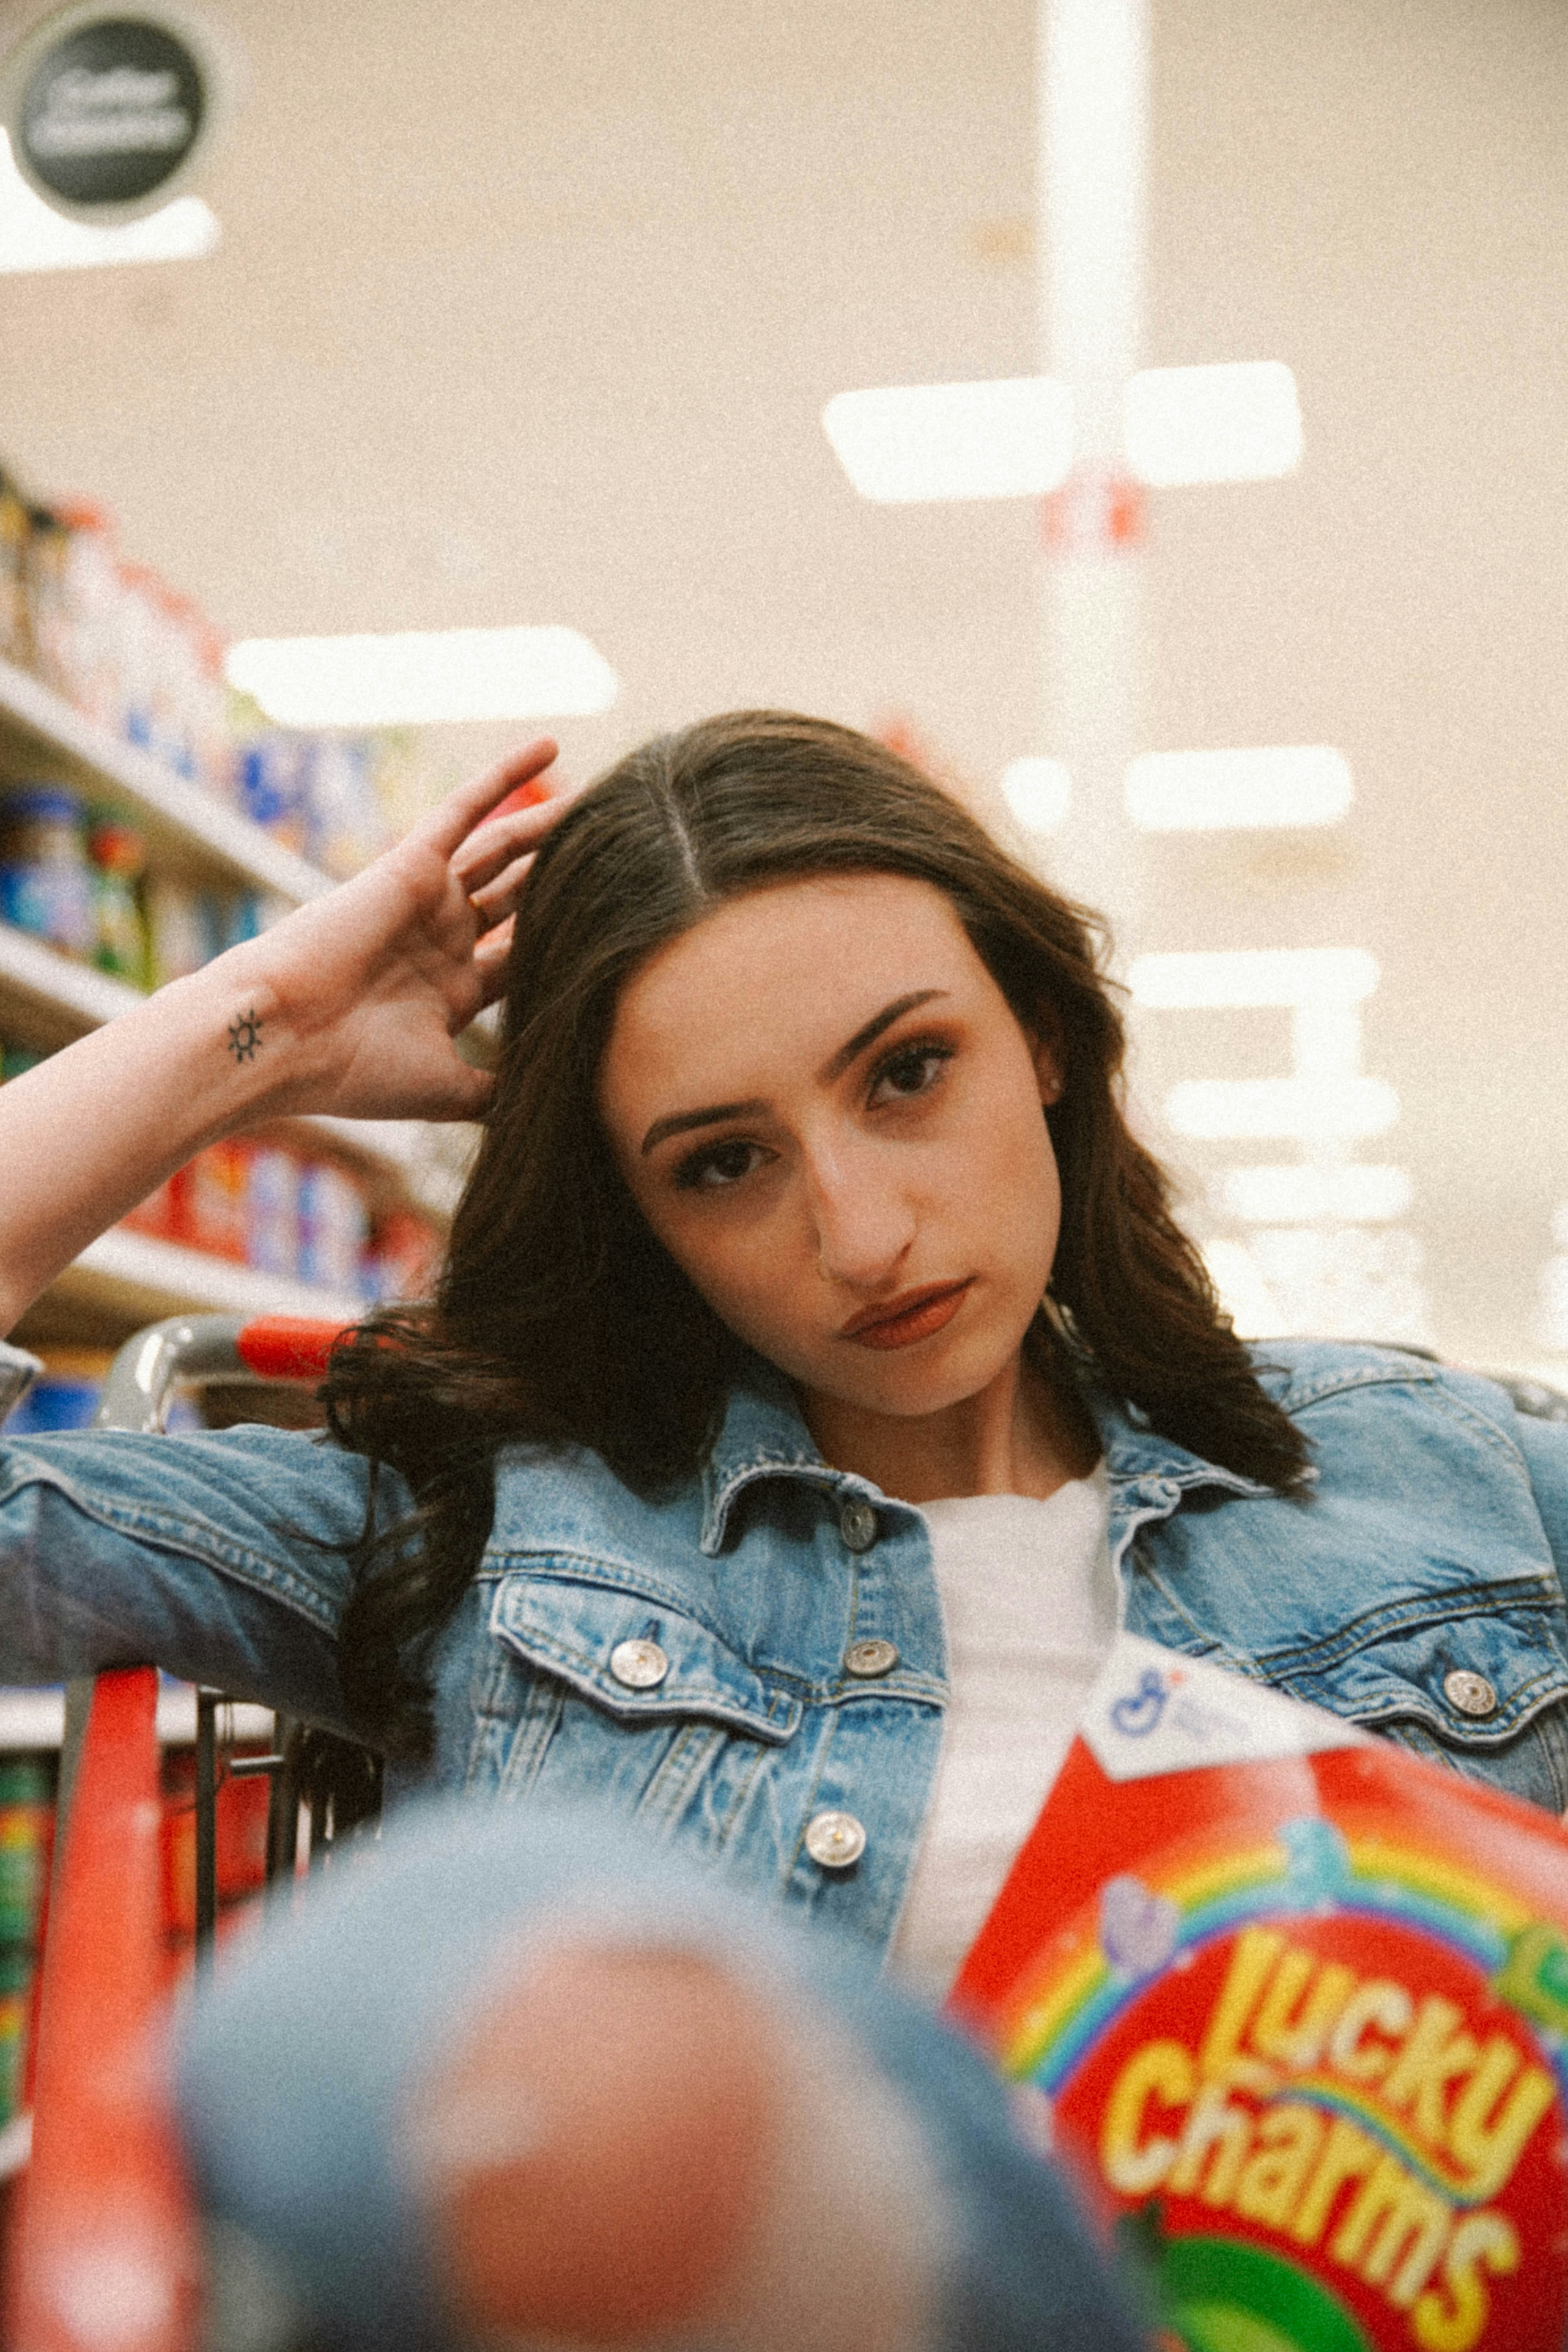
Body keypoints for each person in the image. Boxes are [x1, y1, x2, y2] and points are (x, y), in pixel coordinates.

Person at [3, 710, 1568, 2347]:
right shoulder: (499, 1522)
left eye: (909, 1073)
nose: (862, 1232)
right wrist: (260, 1026)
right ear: (638, 1213)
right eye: (725, 1163)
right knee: (410, 1967)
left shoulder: (1441, 1472)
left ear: (1041, 1034)